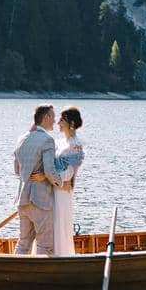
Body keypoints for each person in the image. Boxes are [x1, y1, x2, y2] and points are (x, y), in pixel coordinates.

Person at [12, 104, 61, 256]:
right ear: (46, 117)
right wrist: (62, 182)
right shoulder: (47, 140)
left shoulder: (21, 138)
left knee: (23, 243)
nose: (55, 121)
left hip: (22, 200)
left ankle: (14, 274)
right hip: (40, 201)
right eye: (53, 117)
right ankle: (42, 278)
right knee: (45, 245)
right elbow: (50, 172)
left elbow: (17, 170)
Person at [52, 107, 84, 256]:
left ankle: (61, 254)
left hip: (62, 190)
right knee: (50, 223)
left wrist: (52, 178)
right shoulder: (58, 142)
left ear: (70, 123)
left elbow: (71, 171)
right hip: (54, 187)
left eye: (61, 120)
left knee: (60, 222)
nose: (57, 122)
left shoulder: (75, 144)